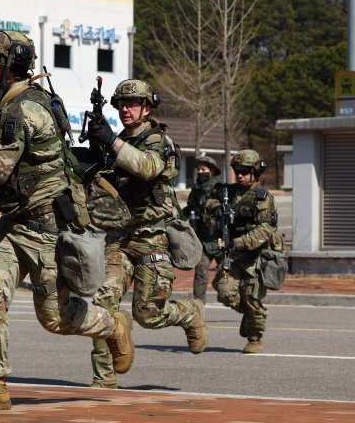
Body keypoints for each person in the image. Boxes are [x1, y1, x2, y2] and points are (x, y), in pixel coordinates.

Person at [0, 30, 134, 412]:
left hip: (49, 228)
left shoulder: (23, 110)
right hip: (13, 226)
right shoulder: (1, 107)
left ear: (13, 66)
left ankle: (113, 325)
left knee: (56, 319)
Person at [84, 79, 209, 389]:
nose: (126, 109)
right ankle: (104, 376)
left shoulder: (158, 140)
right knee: (102, 303)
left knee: (148, 314)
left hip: (153, 235)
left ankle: (190, 313)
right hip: (118, 235)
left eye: (133, 104)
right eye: (121, 105)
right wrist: (95, 145)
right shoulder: (114, 141)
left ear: (146, 108)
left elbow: (148, 168)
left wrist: (111, 141)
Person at [207, 149, 282, 354]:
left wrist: (238, 242)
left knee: (251, 297)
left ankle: (254, 338)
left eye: (245, 171)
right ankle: (249, 314)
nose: (240, 175)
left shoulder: (262, 198)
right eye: (237, 170)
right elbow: (209, 200)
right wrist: (216, 208)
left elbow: (265, 229)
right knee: (224, 292)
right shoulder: (227, 192)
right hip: (232, 255)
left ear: (255, 172)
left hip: (255, 256)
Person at [183, 156, 222, 301]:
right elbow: (190, 208)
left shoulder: (219, 189)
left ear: (212, 170)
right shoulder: (196, 189)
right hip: (202, 240)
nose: (200, 172)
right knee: (200, 275)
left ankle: (224, 288)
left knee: (226, 274)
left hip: (218, 241)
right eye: (198, 169)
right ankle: (198, 308)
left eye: (203, 169)